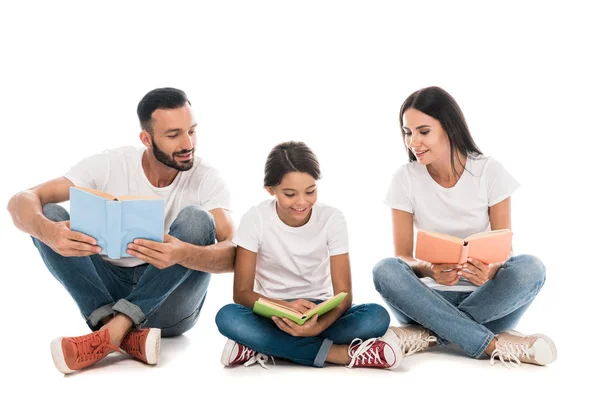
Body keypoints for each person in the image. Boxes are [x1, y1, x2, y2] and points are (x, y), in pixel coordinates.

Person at [7, 87, 236, 374]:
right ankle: (118, 332)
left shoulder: (207, 178)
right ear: (146, 138)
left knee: (197, 220)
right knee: (48, 216)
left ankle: (114, 329)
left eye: (192, 131)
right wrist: (49, 232)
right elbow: (22, 200)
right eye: (173, 134)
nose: (187, 143)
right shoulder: (110, 164)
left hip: (171, 303)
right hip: (108, 294)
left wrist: (183, 253)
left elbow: (234, 253)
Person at [372, 86, 557, 367]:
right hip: (426, 299)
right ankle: (495, 344)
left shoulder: (489, 171)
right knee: (384, 270)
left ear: (448, 127)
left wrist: (492, 270)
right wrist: (429, 269)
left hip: (488, 300)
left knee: (531, 267)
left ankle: (427, 336)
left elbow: (504, 249)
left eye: (423, 132)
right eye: (407, 133)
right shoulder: (405, 178)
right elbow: (402, 257)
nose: (413, 142)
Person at [215, 141, 401, 369]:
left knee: (376, 316)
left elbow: (344, 294)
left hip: (321, 311)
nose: (302, 202)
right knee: (228, 316)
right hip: (272, 314)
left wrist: (319, 326)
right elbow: (241, 293)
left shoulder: (332, 219)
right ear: (270, 190)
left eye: (310, 191)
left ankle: (260, 345)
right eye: (290, 194)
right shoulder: (255, 219)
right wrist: (285, 307)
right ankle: (340, 354)